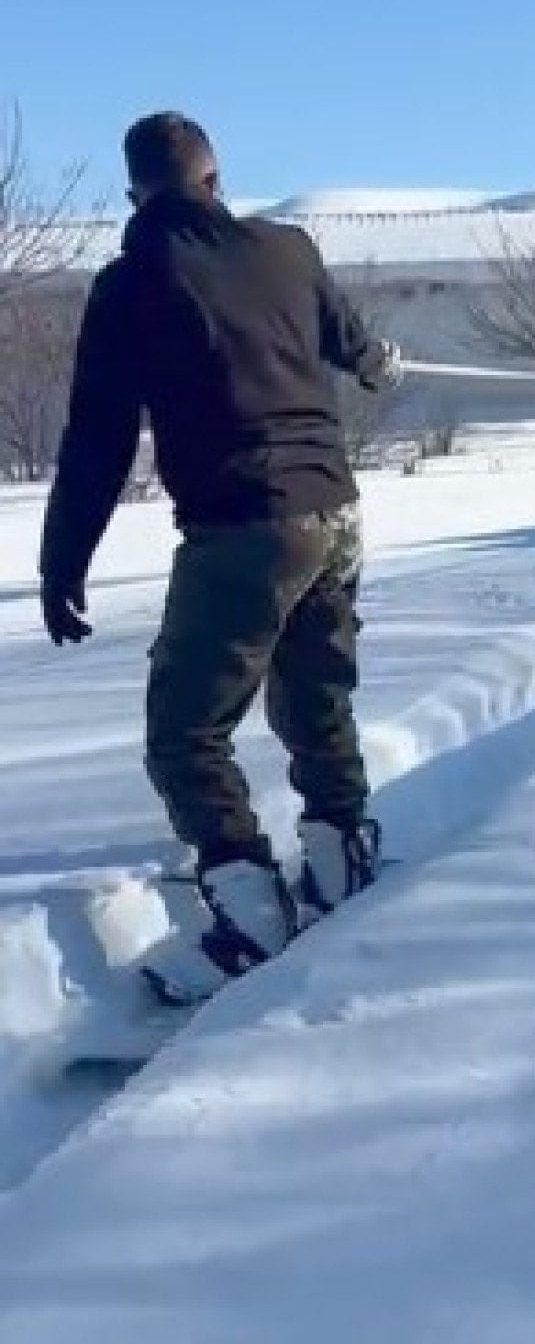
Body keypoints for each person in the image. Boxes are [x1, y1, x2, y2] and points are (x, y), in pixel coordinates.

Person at [39, 112, 394, 1001]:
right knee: (314, 695)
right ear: (215, 177)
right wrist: (376, 359)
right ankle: (344, 853)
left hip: (247, 526)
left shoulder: (132, 285)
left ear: (136, 196)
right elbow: (351, 345)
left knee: (185, 730)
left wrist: (63, 562)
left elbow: (97, 442)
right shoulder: (290, 249)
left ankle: (249, 911)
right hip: (337, 510)